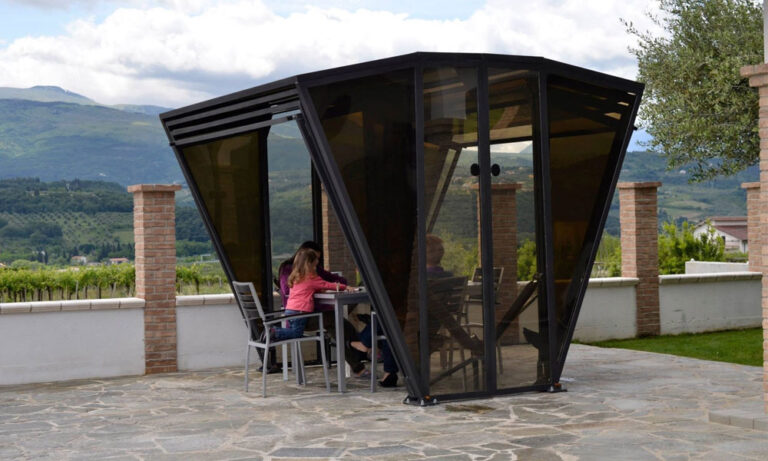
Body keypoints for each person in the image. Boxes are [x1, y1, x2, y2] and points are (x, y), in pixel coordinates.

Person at [277, 241, 370, 378]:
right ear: (306, 259)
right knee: (335, 320)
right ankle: (358, 350)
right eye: (315, 260)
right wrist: (313, 288)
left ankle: (358, 359)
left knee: (337, 323)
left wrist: (317, 287)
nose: (317, 264)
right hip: (302, 316)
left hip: (308, 313)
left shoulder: (306, 272)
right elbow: (286, 291)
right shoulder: (289, 269)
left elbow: (335, 280)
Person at [267, 247, 351, 341]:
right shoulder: (311, 278)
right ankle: (274, 331)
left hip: (289, 310)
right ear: (309, 265)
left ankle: (272, 334)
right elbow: (328, 285)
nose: (316, 268)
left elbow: (306, 289)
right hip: (300, 311)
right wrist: (345, 287)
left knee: (291, 332)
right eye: (315, 266)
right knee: (296, 333)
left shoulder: (296, 277)